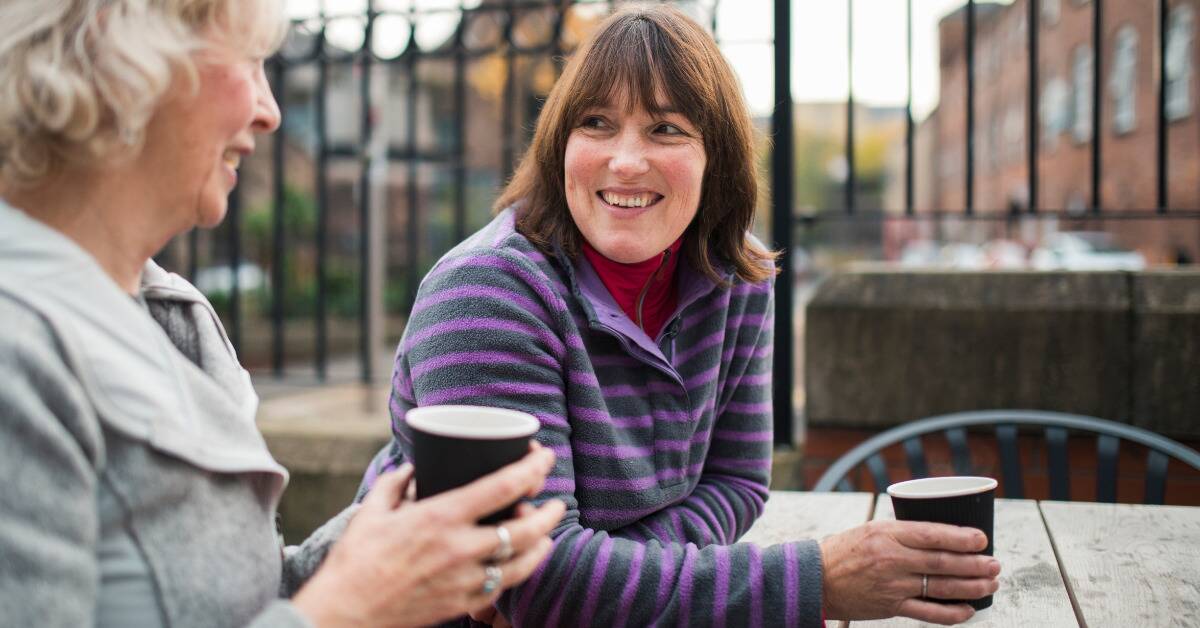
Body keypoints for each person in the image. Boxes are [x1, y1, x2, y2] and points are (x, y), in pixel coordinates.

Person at [362, 5, 1000, 627]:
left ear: (715, 157)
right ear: (560, 145)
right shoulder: (486, 293)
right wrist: (818, 582)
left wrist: (611, 571)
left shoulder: (738, 273)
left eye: (666, 129)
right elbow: (535, 580)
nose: (626, 160)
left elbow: (737, 481)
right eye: (596, 123)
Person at [0, 1, 565, 626]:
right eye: (247, 62)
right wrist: (348, 607)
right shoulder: (17, 346)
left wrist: (398, 541)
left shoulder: (170, 315)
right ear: (123, 65)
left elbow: (237, 599)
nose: (269, 112)